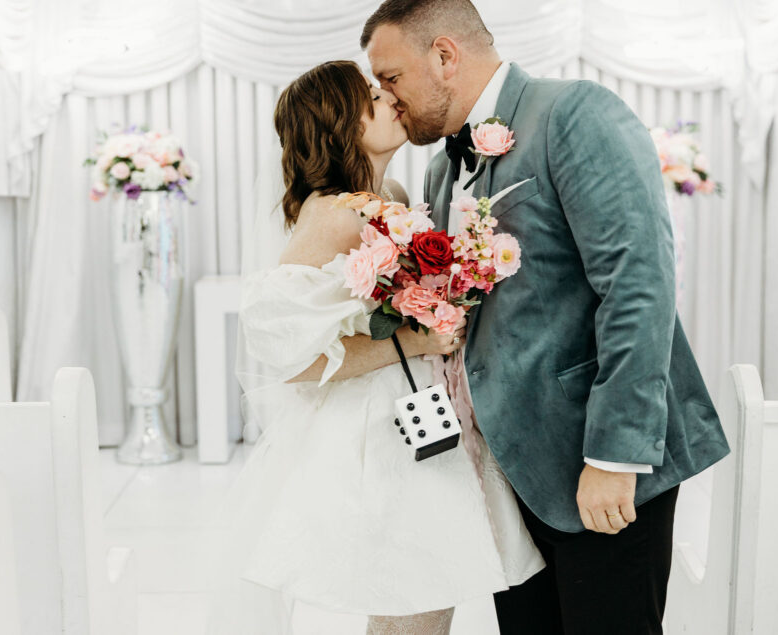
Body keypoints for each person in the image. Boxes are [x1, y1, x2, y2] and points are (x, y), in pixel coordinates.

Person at [362, 0, 731, 634]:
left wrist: (615, 455)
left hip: (601, 468)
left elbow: (638, 282)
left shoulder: (575, 113)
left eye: (391, 76)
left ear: (445, 56)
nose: (386, 97)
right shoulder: (443, 169)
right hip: (517, 476)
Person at [205, 60, 543, 635]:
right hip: (377, 430)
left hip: (428, 409)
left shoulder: (395, 193)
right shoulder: (331, 213)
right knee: (412, 598)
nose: (389, 97)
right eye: (369, 95)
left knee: (431, 599)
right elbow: (291, 358)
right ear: (341, 123)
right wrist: (409, 341)